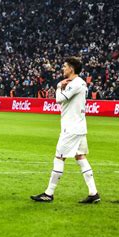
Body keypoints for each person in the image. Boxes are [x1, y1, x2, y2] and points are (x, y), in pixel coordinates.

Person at [31, 57, 100, 204]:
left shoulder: (75, 83)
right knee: (80, 157)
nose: (63, 69)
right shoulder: (80, 83)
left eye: (65, 66)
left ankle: (48, 193)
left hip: (71, 129)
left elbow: (59, 99)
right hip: (79, 126)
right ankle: (93, 193)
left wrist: (58, 86)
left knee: (59, 157)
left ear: (72, 69)